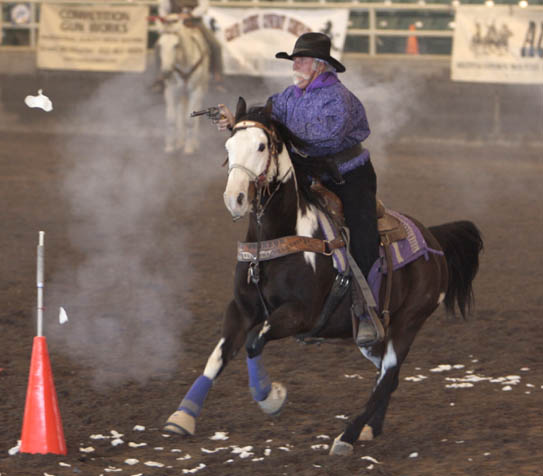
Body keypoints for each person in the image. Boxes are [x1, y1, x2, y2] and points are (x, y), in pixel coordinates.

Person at [217, 32, 382, 346]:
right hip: (308, 173)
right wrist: (238, 123)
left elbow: (326, 138)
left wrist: (278, 133)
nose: (295, 66)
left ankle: (366, 310)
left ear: (320, 65)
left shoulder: (339, 98)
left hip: (349, 176)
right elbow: (265, 120)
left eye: (302, 60)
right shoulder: (288, 97)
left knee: (363, 234)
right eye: (294, 60)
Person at [158, 0, 223, 82]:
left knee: (215, 45)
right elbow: (163, 8)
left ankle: (216, 73)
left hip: (195, 22)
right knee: (160, 45)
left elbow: (204, 6)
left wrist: (191, 14)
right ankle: (159, 74)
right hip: (174, 24)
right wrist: (166, 17)